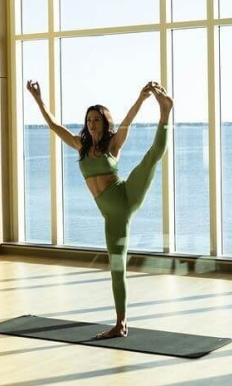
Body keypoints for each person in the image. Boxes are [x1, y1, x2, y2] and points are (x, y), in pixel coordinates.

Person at [25, 79, 173, 339]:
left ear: (105, 122)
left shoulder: (112, 145)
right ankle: (121, 323)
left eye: (97, 119)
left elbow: (128, 121)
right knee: (117, 268)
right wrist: (37, 98)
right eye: (89, 119)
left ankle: (165, 112)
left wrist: (141, 99)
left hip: (125, 196)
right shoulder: (81, 146)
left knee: (151, 158)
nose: (92, 123)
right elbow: (53, 125)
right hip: (111, 216)